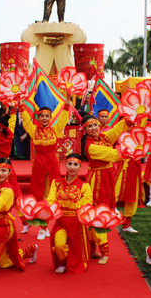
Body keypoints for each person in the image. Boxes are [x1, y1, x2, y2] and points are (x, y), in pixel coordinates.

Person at [20, 97, 71, 240]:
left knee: (51, 195)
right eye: (41, 116)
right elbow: (25, 121)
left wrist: (67, 101)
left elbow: (63, 118)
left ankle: (44, 227)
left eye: (47, 116)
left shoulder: (55, 129)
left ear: (50, 118)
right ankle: (41, 225)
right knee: (38, 194)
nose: (44, 118)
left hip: (52, 164)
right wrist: (21, 105)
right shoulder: (33, 130)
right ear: (38, 117)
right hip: (38, 164)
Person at [82, 113, 130, 264]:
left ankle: (91, 250)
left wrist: (129, 120)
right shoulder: (91, 147)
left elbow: (116, 130)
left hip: (107, 177)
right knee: (97, 212)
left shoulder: (103, 137)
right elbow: (112, 155)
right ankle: (104, 250)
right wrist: (132, 150)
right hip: (97, 181)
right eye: (90, 126)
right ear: (85, 130)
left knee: (104, 210)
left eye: (95, 124)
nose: (94, 128)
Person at [47, 153, 93, 274]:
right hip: (61, 221)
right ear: (65, 165)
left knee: (76, 249)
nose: (72, 167)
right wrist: (48, 210)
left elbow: (87, 202)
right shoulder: (56, 183)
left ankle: (70, 262)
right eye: (70, 164)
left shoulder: (84, 186)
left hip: (76, 222)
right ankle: (62, 261)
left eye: (75, 164)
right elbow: (50, 200)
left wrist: (78, 209)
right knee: (59, 244)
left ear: (80, 167)